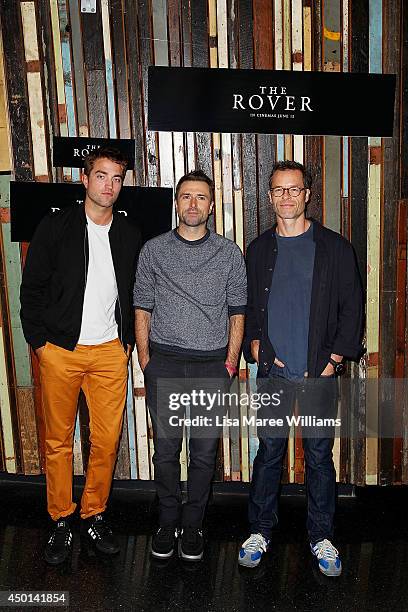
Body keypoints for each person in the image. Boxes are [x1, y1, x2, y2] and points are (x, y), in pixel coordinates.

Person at [238, 160, 363, 576]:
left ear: (308, 194)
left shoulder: (335, 247)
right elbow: (249, 305)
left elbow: (352, 308)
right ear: (270, 195)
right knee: (269, 451)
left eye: (294, 189)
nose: (287, 196)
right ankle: (259, 530)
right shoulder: (257, 250)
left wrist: (334, 360)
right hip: (273, 373)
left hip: (318, 374)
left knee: (318, 455)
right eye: (279, 189)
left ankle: (321, 536)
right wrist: (256, 345)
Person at [20, 147, 141, 565]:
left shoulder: (128, 233)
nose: (109, 185)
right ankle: (60, 518)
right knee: (58, 442)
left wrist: (126, 341)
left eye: (117, 178)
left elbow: (135, 292)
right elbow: (31, 290)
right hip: (61, 352)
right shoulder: (56, 226)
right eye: (102, 176)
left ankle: (93, 512)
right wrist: (40, 344)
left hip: (110, 353)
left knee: (105, 441)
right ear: (85, 180)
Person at [134, 170, 246, 561]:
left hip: (211, 368)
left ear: (211, 205)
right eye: (186, 197)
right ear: (176, 203)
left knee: (202, 454)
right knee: (165, 453)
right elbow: (142, 307)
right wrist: (147, 361)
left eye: (201, 197)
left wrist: (229, 365)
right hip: (164, 363)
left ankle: (194, 524)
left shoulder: (229, 253)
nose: (193, 204)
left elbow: (237, 313)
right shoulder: (153, 251)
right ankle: (167, 522)